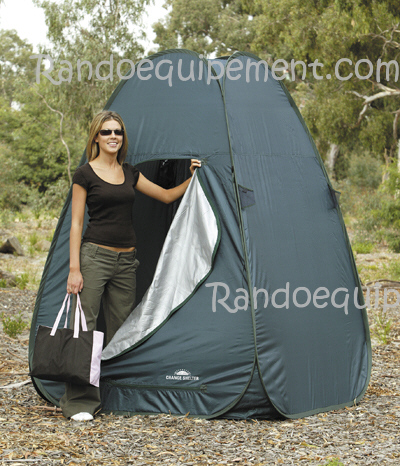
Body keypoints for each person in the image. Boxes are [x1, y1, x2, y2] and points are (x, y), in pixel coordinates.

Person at [60, 110, 201, 421]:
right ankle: (79, 402)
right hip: (94, 257)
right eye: (107, 132)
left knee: (122, 329)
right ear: (96, 137)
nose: (113, 137)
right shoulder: (84, 174)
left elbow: (165, 196)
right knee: (85, 328)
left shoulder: (130, 173)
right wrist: (74, 269)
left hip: (126, 261)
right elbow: (76, 224)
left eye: (118, 132)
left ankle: (116, 394)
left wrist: (193, 179)